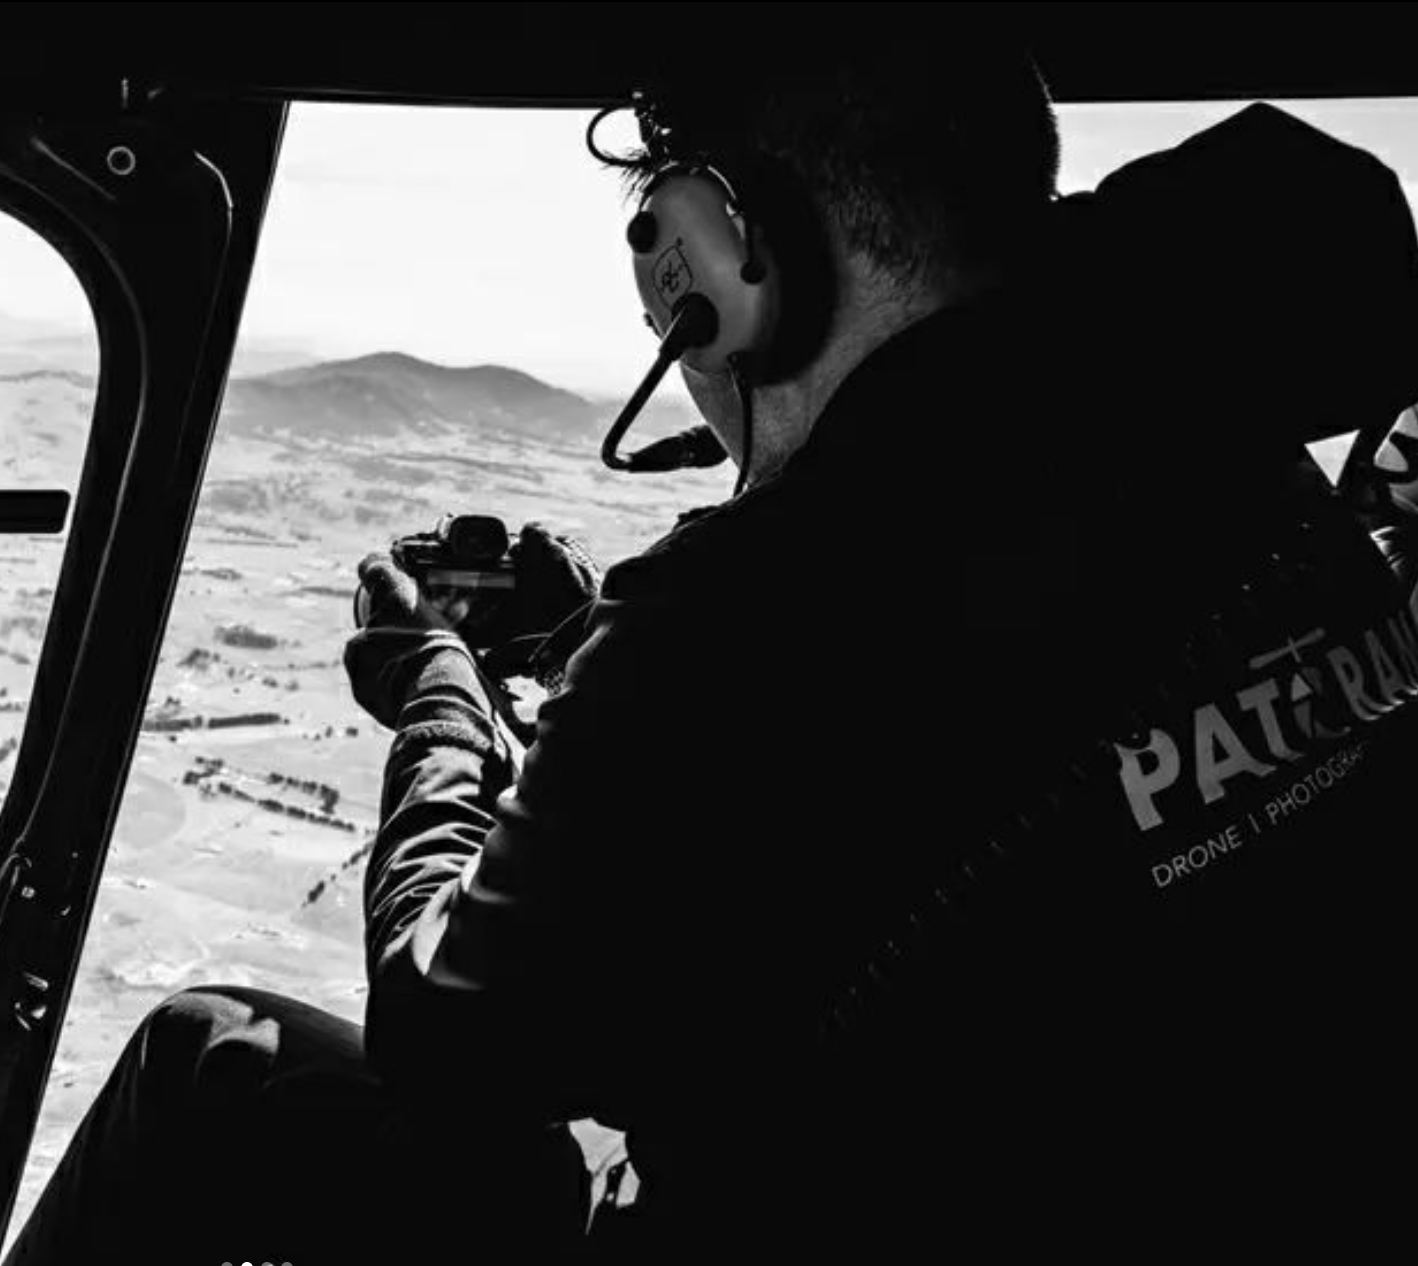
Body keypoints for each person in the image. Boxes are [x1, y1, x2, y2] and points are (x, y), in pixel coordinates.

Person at [7, 30, 1414, 1266]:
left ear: (725, 259)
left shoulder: (737, 617)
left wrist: (439, 691)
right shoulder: (1225, 448)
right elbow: (929, 758)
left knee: (208, 1063)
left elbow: (453, 1042)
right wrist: (582, 650)